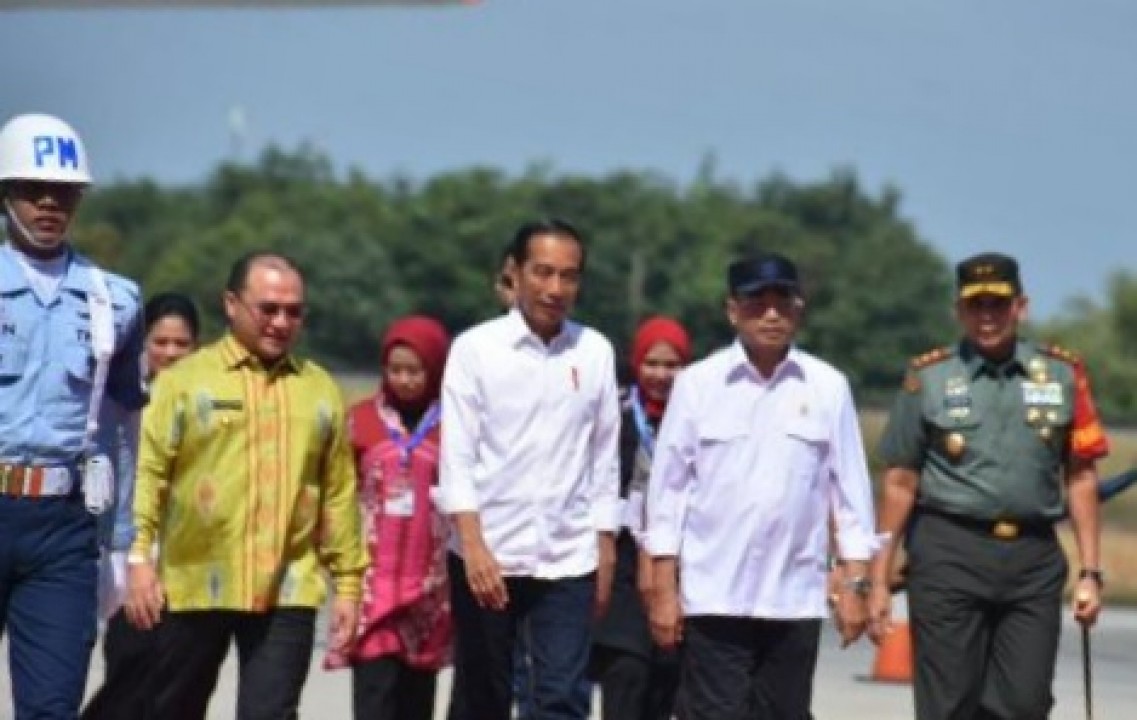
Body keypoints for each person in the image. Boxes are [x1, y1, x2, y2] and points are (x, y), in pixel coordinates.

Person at [123, 251, 368, 720]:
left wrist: (350, 587)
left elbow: (338, 494)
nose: (281, 322)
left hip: (288, 587)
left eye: (293, 311)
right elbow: (147, 474)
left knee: (271, 713)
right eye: (268, 309)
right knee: (171, 709)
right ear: (232, 305)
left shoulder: (319, 391)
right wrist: (139, 560)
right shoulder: (183, 383)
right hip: (193, 582)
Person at [868, 252, 1107, 720]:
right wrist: (878, 578)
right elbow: (899, 482)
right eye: (975, 305)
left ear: (1021, 306)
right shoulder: (930, 378)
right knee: (949, 703)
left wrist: (1090, 573)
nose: (987, 316)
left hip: (1031, 558)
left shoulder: (1060, 374)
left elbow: (1080, 476)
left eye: (998, 304)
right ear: (959, 310)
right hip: (949, 551)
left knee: (1024, 702)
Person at [645, 252, 877, 720]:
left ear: (799, 308)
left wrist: (856, 585)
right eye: (756, 302)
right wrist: (663, 590)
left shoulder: (828, 387)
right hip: (714, 596)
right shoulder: (698, 385)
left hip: (793, 596)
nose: (770, 314)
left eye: (782, 301)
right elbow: (667, 496)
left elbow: (850, 495)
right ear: (733, 310)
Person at [439, 218, 620, 720]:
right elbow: (457, 458)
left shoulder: (596, 352)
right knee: (483, 696)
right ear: (514, 273)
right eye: (543, 272)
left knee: (562, 696)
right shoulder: (475, 349)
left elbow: (604, 460)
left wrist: (604, 549)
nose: (555, 288)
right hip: (488, 553)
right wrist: (472, 545)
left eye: (569, 275)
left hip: (567, 557)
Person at [0, 112, 146, 719]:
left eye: (63, 192)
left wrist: (119, 544)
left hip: (62, 524)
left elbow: (120, 426)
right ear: (6, 194)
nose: (48, 203)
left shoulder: (115, 299)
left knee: (53, 707)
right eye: (33, 190)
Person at [325, 315, 453, 720]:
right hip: (372, 587)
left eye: (415, 370)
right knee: (374, 701)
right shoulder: (359, 421)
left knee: (416, 703)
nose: (405, 380)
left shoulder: (455, 424)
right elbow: (338, 493)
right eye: (395, 369)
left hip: (430, 591)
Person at [82, 292, 201, 720]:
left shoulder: (204, 404)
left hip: (189, 565)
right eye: (160, 341)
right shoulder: (123, 403)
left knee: (181, 692)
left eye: (181, 343)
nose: (170, 352)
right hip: (129, 560)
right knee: (129, 681)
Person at [590, 316, 689, 720]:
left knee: (667, 681)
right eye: (652, 363)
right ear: (635, 363)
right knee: (627, 671)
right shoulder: (614, 414)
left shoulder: (695, 419)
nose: (661, 375)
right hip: (623, 564)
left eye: (672, 365)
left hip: (678, 566)